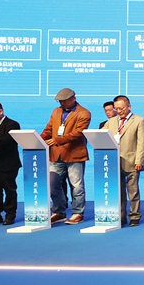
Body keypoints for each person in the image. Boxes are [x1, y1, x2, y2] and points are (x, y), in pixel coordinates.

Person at [41, 87, 91, 225]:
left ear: (73, 99)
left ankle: (78, 213)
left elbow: (78, 133)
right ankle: (59, 212)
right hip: (56, 154)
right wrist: (38, 140)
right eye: (59, 101)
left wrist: (57, 140)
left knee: (77, 186)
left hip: (74, 154)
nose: (61, 103)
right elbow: (49, 129)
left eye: (64, 101)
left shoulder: (84, 113)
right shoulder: (56, 111)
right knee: (52, 184)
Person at [105, 95, 144, 226]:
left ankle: (134, 216)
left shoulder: (139, 120)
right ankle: (121, 217)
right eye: (116, 109)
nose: (119, 111)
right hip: (114, 162)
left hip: (132, 161)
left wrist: (139, 161)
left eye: (121, 108)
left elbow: (142, 143)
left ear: (129, 106)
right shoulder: (111, 122)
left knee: (133, 191)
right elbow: (101, 136)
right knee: (118, 192)